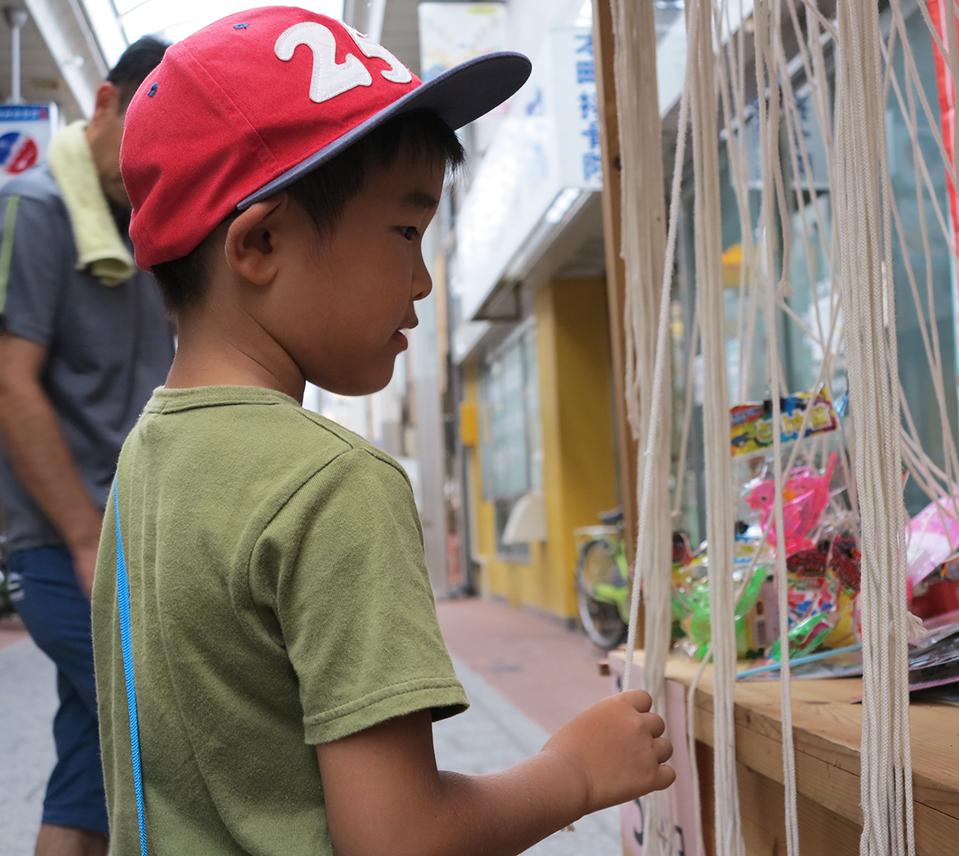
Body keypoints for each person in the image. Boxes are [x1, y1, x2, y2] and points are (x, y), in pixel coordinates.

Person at [92, 8, 674, 854]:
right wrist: (574, 772)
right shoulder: (334, 485)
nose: (424, 279)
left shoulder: (144, 462)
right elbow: (399, 839)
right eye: (405, 230)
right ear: (260, 243)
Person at [0, 36, 172, 856]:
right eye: (142, 128)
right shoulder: (36, 207)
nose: (149, 160)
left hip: (127, 535)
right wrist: (81, 538)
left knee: (88, 769)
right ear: (104, 103)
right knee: (162, 720)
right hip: (69, 544)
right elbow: (10, 381)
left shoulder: (143, 228)